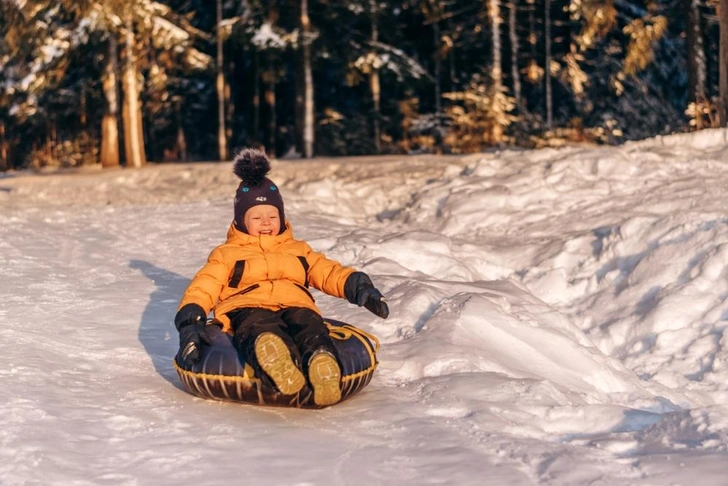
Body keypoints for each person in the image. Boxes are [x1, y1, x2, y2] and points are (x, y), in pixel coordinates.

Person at [174, 148, 389, 406]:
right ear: (241, 221)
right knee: (259, 327)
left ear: (282, 217)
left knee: (310, 324)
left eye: (272, 216)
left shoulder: (297, 249)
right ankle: (276, 362)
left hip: (295, 303)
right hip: (246, 306)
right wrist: (191, 319)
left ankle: (323, 365)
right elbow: (205, 285)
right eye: (256, 216)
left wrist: (356, 285)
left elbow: (326, 270)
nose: (266, 222)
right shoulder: (227, 253)